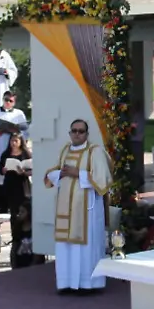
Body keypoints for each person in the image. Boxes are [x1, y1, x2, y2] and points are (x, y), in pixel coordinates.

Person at [43, 120, 112, 296]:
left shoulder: (94, 152)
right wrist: (60, 174)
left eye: (81, 131)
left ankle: (87, 284)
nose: (77, 134)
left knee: (85, 248)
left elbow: (103, 179)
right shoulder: (66, 150)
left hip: (87, 211)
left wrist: (78, 173)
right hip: (65, 208)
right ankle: (66, 283)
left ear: (87, 134)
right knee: (66, 247)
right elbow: (55, 172)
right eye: (74, 131)